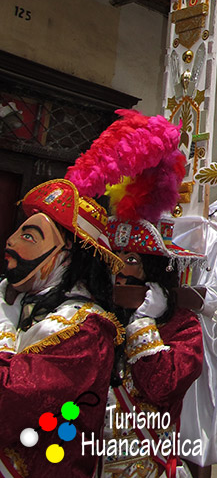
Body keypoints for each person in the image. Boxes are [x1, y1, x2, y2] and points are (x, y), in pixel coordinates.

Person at [65, 109, 206, 478]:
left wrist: (143, 323)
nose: (120, 268)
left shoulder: (182, 325)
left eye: (130, 259)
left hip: (149, 464)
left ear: (151, 269)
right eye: (115, 258)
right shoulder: (97, 315)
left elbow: (162, 387)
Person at [0, 178, 124, 477]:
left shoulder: (85, 330)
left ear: (65, 255)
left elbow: (11, 404)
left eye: (28, 236)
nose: (11, 242)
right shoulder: (25, 305)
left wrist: (2, 326)